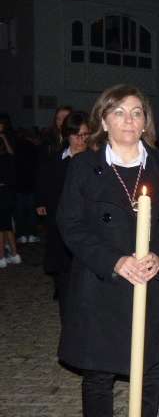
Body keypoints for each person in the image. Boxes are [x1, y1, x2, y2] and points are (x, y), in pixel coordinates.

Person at [57, 84, 159, 417]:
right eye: (119, 112)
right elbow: (71, 224)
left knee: (148, 371)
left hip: (150, 284)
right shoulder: (84, 166)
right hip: (101, 285)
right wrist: (114, 261)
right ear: (103, 121)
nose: (129, 120)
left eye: (136, 113)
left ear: (146, 122)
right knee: (98, 376)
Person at [36, 111, 89, 321]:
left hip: (88, 230)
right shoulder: (56, 160)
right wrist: (42, 203)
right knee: (65, 282)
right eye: (76, 135)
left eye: (85, 135)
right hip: (61, 229)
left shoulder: (96, 161)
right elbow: (45, 185)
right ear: (67, 135)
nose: (81, 140)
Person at [0, 123, 20, 268]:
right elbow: (12, 153)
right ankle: (14, 255)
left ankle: (1, 257)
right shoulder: (9, 157)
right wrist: (3, 137)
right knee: (7, 227)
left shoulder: (6, 158)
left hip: (2, 194)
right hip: (9, 194)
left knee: (1, 228)